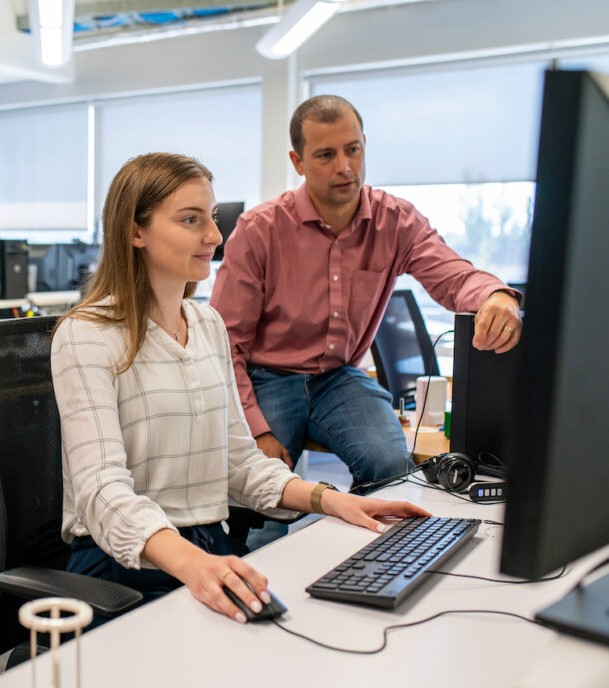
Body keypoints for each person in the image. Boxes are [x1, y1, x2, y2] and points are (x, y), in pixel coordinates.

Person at [51, 152, 430, 624]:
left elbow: (239, 463)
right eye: (191, 220)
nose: (214, 235)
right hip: (123, 566)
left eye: (211, 218)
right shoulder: (87, 334)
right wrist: (191, 563)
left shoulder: (207, 323)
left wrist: (335, 501)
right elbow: (101, 492)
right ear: (135, 232)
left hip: (212, 546)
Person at [210, 95, 523, 504]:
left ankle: (372, 559)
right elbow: (223, 343)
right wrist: (257, 430)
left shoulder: (395, 220)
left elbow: (454, 276)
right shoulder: (260, 229)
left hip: (338, 376)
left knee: (393, 470)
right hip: (267, 376)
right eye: (325, 155)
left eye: (353, 150)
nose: (344, 167)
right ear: (298, 162)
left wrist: (495, 295)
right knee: (263, 493)